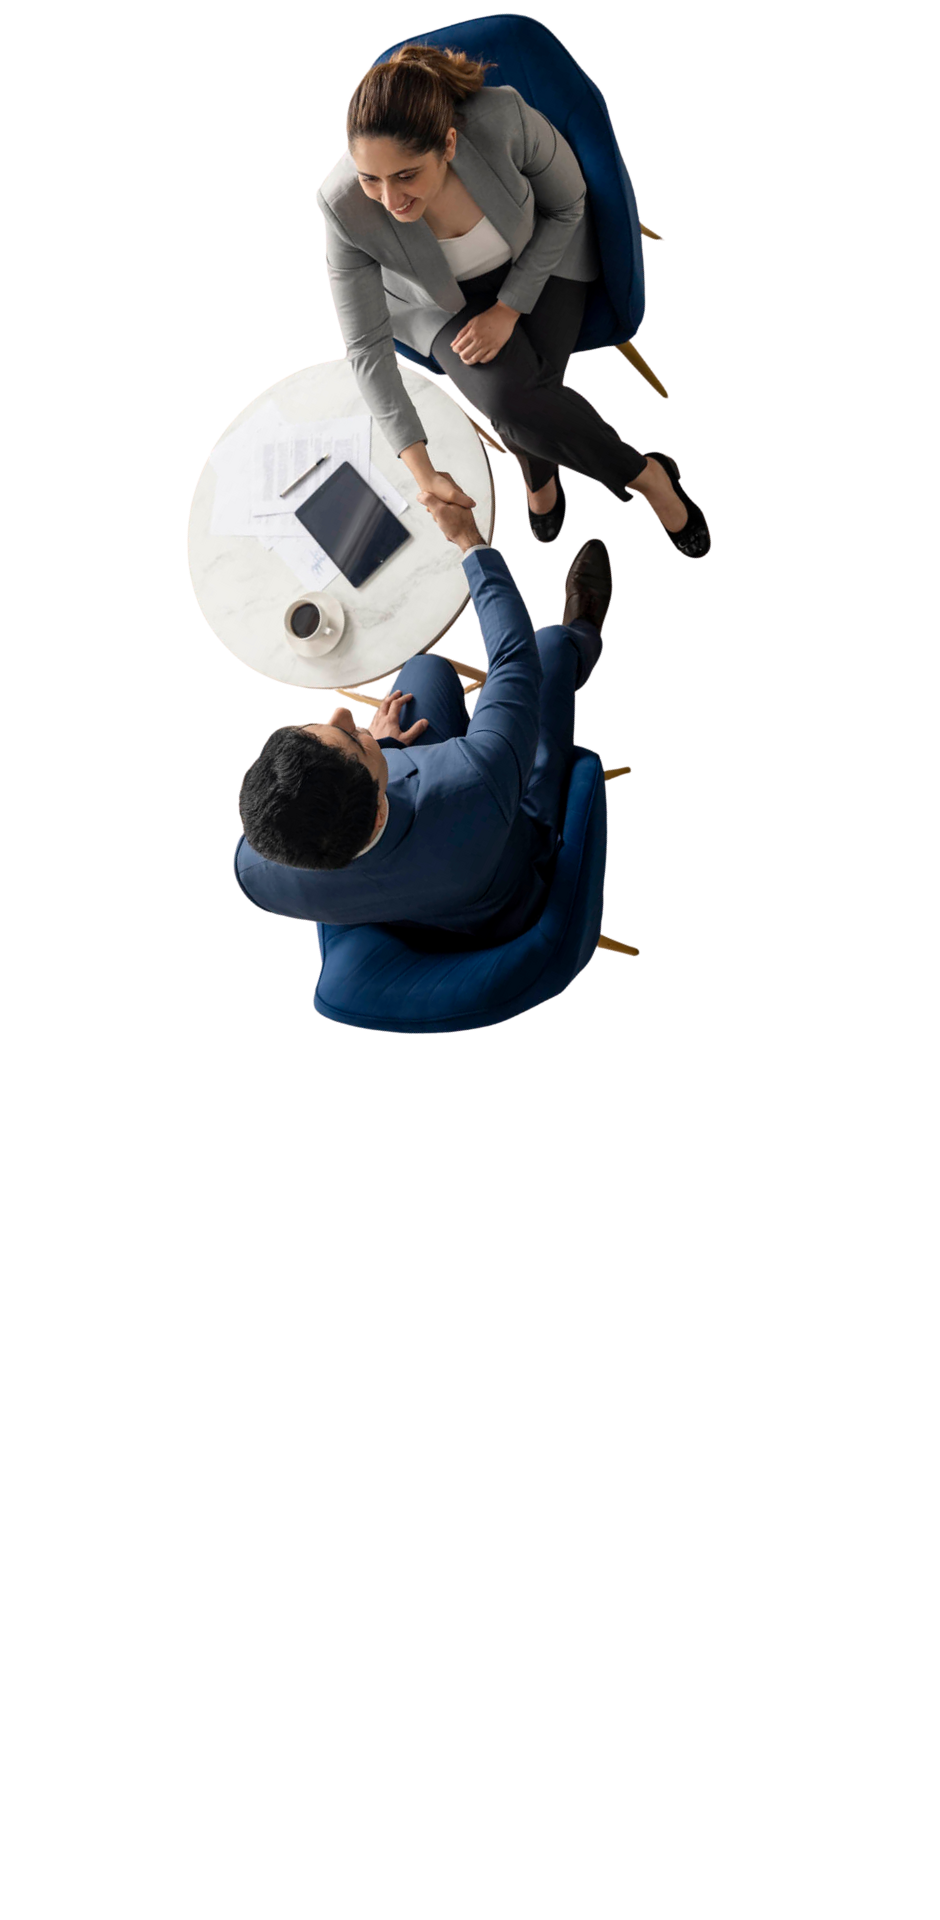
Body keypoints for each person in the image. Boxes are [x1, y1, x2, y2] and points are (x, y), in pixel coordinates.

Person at [235, 43, 709, 945]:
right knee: (516, 405)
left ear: (449, 143)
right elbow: (367, 350)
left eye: (404, 177)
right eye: (371, 181)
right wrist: (441, 503)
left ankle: (569, 474)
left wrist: (510, 307)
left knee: (513, 393)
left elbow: (568, 205)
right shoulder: (344, 202)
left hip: (540, 266)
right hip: (442, 311)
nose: (386, 199)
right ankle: (630, 473)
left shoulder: (503, 123)